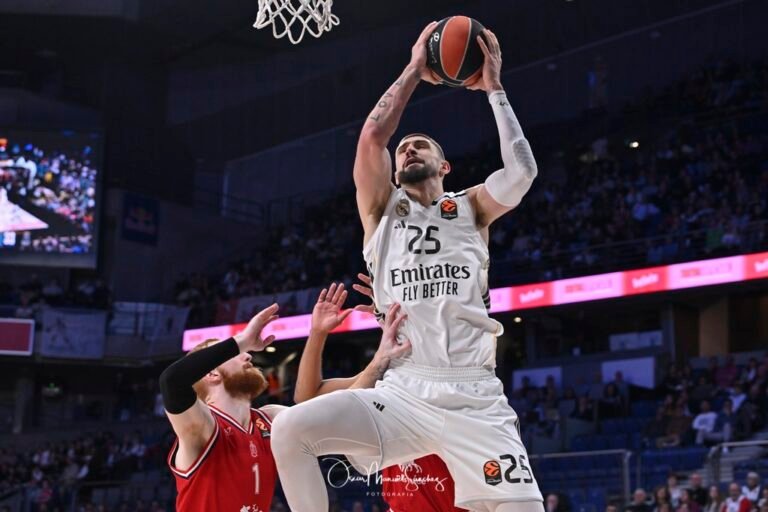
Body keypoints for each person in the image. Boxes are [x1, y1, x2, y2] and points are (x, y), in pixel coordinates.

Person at [271, 21, 542, 512]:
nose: (409, 148)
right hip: (405, 390)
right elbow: (372, 136)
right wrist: (416, 68)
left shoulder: (472, 207)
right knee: (289, 427)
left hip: (475, 394)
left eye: (421, 145)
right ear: (394, 172)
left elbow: (522, 173)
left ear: (445, 167)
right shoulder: (380, 210)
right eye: (403, 150)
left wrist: (495, 89)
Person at [159, 295, 405, 512]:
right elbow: (172, 381)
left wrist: (376, 359)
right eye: (236, 354)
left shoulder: (269, 419)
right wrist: (241, 340)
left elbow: (340, 409)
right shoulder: (203, 428)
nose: (248, 355)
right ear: (212, 374)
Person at [293, 280, 464, 511]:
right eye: (388, 319)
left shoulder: (449, 375)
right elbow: (306, 398)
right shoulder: (384, 375)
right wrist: (318, 333)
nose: (392, 326)